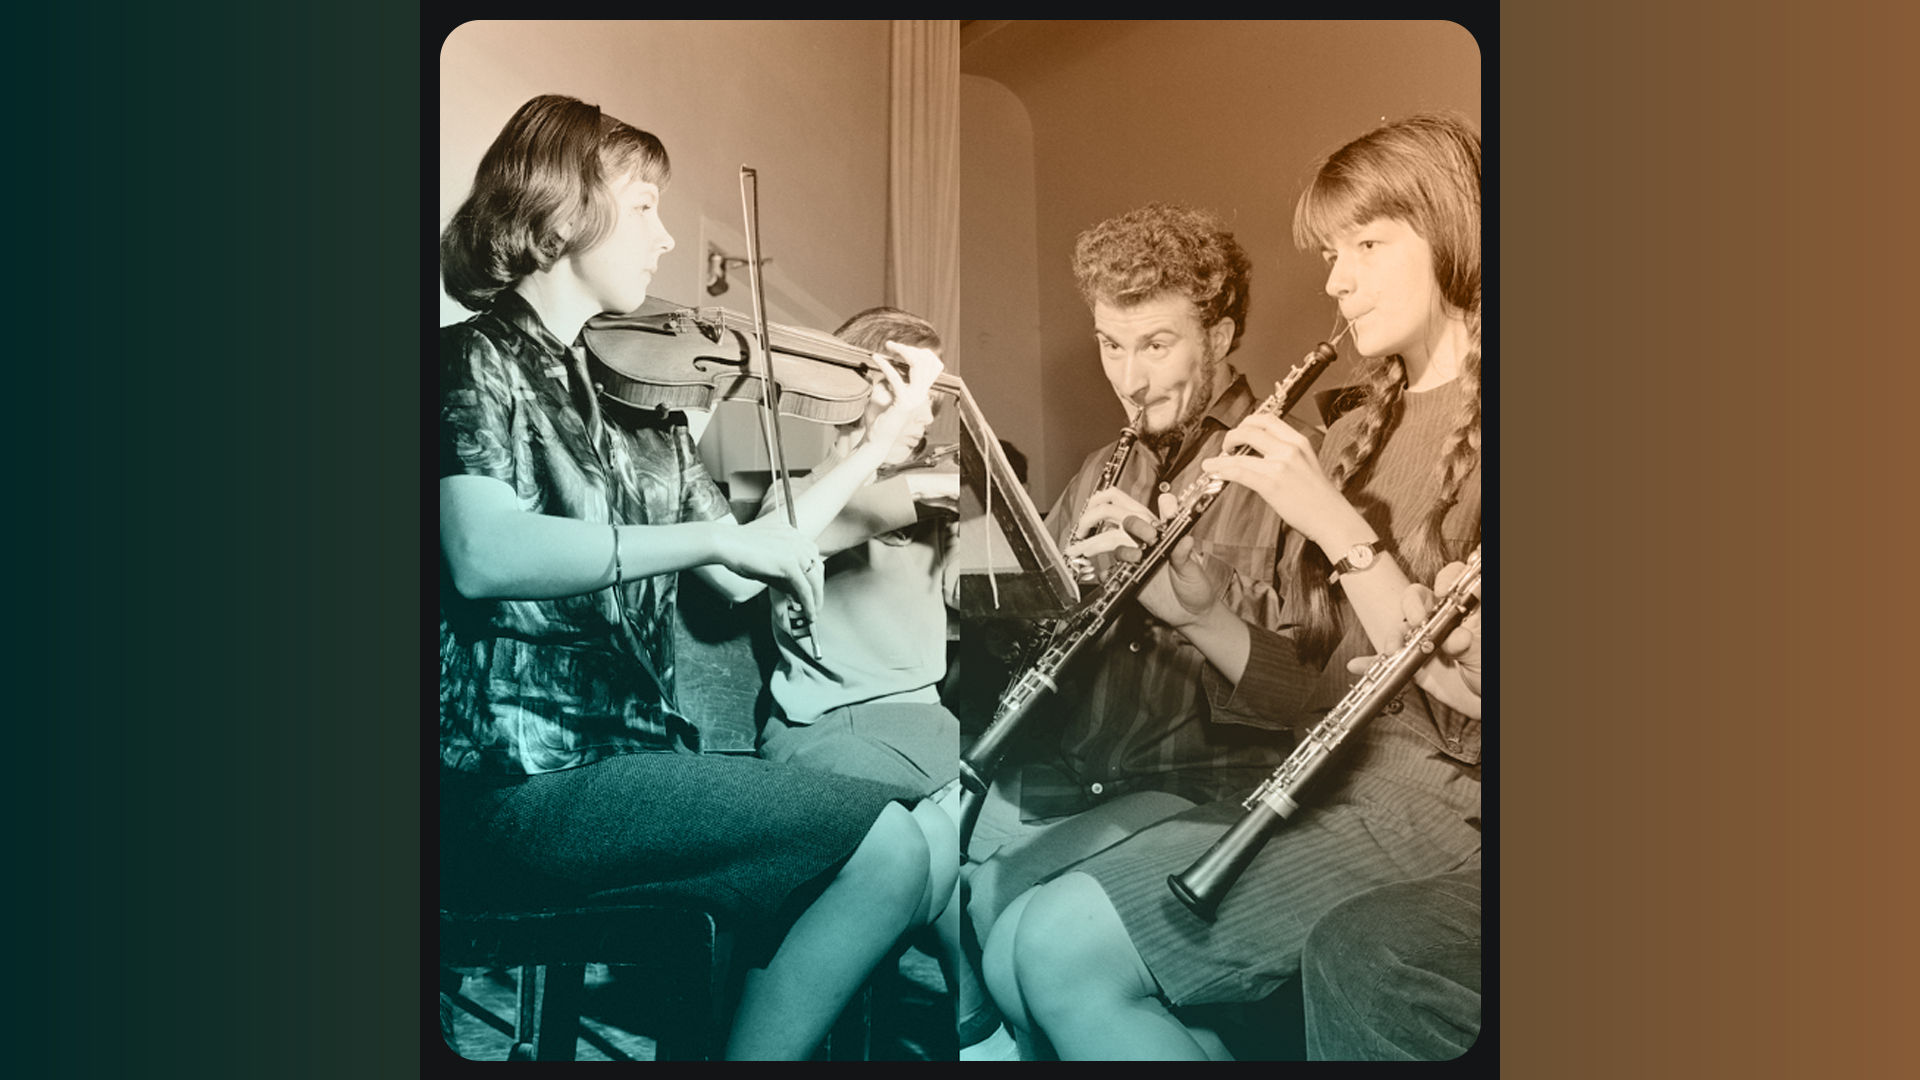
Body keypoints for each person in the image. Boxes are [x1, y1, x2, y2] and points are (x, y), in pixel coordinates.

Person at [436, 94, 957, 1061]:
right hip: (510, 783)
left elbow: (745, 571)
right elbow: (484, 554)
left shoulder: (646, 414)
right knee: (885, 846)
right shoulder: (466, 361)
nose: (667, 236)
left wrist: (875, 440)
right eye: (644, 206)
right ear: (562, 212)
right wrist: (707, 542)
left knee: (897, 853)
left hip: (631, 769)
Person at [979, 112, 1484, 1060]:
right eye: (1331, 254)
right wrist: (1199, 611)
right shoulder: (1354, 431)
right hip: (1328, 782)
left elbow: (1468, 701)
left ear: (1454, 234)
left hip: (1445, 809)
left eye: (1367, 246)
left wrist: (1332, 522)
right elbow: (1316, 695)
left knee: (1055, 949)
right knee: (1020, 948)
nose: (1335, 281)